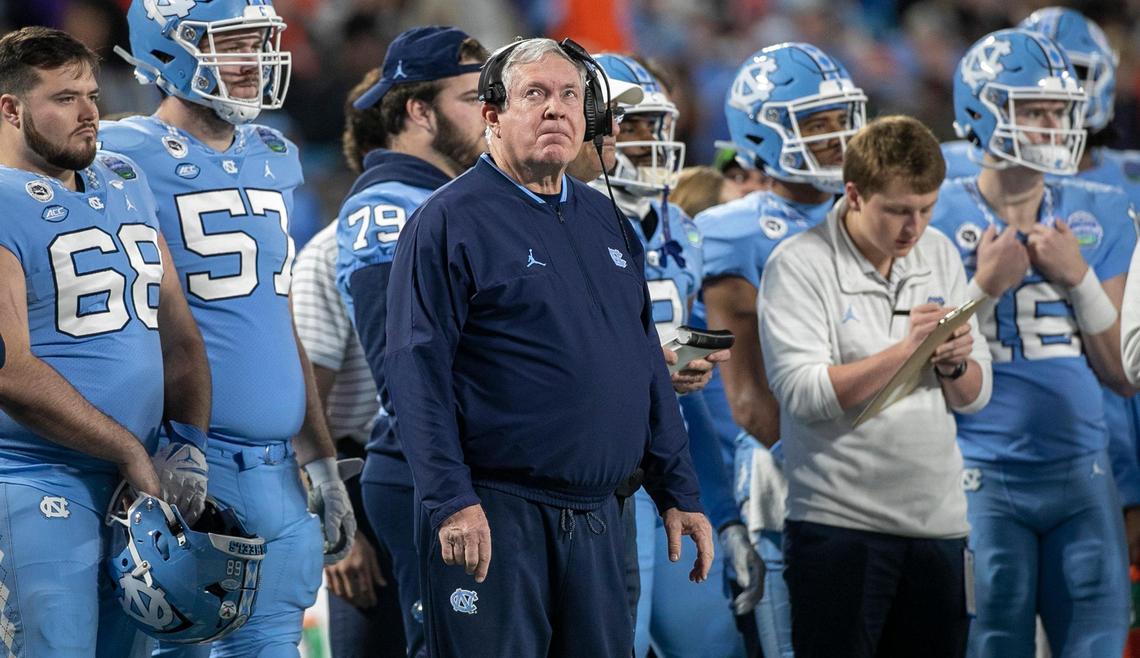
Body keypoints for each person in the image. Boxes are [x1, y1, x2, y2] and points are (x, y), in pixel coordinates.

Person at [384, 37, 714, 657]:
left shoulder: (607, 219)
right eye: (534, 94)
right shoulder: (446, 221)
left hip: (602, 518)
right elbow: (414, 374)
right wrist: (452, 500)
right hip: (497, 513)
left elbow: (642, 360)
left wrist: (679, 489)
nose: (557, 109)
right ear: (492, 115)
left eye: (570, 95)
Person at [104, 1, 357, 655]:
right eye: (231, 44)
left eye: (258, 42)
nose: (253, 61)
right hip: (181, 460)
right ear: (167, 50)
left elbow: (273, 317)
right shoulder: (117, 154)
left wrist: (322, 461)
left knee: (276, 643)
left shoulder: (275, 151)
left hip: (276, 467)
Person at [0, 26, 210, 656]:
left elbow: (179, 337)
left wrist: (189, 445)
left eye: (91, 93)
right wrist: (128, 450)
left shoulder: (121, 177)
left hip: (136, 484)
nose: (91, 112)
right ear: (9, 108)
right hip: (35, 480)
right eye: (65, 98)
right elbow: (8, 369)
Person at [932, 28, 1135, 657]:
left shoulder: (1099, 208)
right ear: (980, 110)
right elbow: (919, 362)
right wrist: (985, 288)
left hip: (1083, 468)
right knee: (994, 644)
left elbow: (1122, 374)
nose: (1052, 125)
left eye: (1059, 111)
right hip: (978, 473)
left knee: (1097, 645)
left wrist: (1078, 279)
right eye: (1033, 110)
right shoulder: (931, 213)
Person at [760, 115, 991, 657]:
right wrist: (906, 352)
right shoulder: (797, 264)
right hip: (840, 527)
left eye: (926, 210)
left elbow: (977, 396)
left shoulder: (936, 251)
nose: (914, 228)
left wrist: (956, 365)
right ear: (854, 195)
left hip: (939, 525)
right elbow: (802, 394)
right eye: (898, 211)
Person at [696, 41, 868, 658]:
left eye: (841, 119)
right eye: (814, 124)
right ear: (761, 134)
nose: (838, 138)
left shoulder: (877, 211)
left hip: (889, 468)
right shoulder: (731, 231)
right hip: (790, 472)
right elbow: (750, 403)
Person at [579, 52, 750, 658]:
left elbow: (708, 388)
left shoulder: (682, 225)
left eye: (658, 124)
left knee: (709, 643)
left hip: (670, 467)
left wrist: (726, 505)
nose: (651, 140)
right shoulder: (564, 216)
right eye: (636, 125)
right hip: (600, 473)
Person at [333, 25, 489, 658]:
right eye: (474, 97)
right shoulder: (390, 206)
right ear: (420, 111)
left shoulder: (460, 199)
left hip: (480, 468)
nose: (493, 113)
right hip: (441, 477)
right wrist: (455, 489)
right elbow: (403, 369)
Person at [291, 67, 403, 658]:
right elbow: (309, 406)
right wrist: (338, 531)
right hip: (362, 489)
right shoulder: (331, 252)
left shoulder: (470, 233)